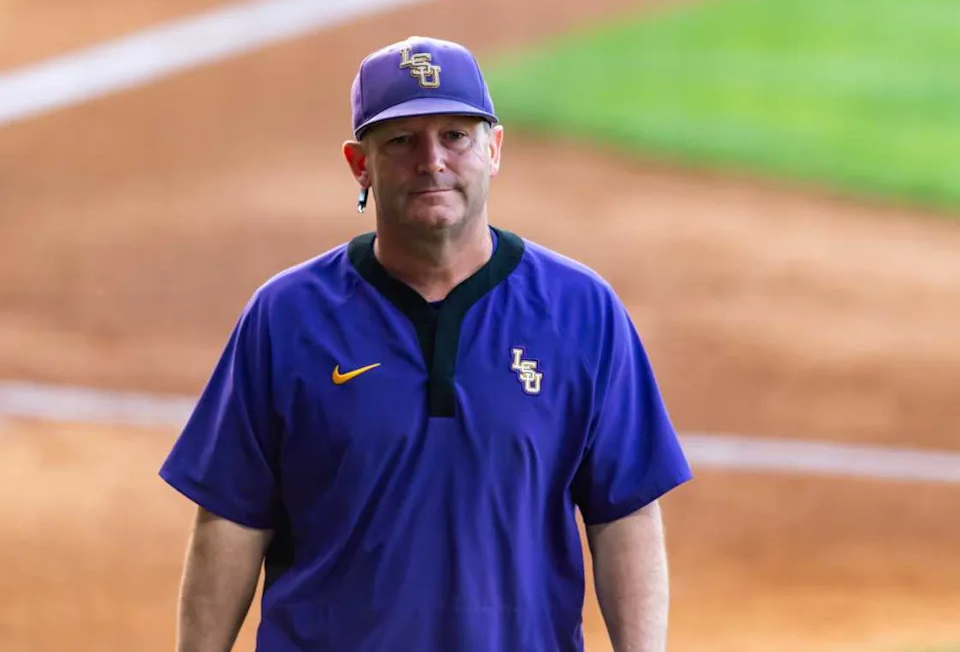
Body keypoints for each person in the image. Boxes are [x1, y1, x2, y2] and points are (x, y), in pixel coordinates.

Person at [159, 35, 693, 652]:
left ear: (493, 149)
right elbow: (230, 519)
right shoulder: (286, 317)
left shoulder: (582, 311)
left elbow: (622, 513)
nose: (432, 160)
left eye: (455, 136)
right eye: (402, 140)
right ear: (361, 165)